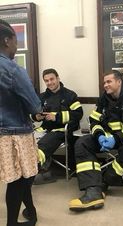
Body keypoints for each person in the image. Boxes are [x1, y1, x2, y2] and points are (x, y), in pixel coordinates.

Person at [69, 70, 123, 211]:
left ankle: (104, 182)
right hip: (104, 138)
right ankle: (92, 189)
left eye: (109, 81)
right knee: (81, 143)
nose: (105, 85)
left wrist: (115, 139)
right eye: (104, 82)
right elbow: (94, 120)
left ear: (119, 82)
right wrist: (99, 136)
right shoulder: (103, 99)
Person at [0, 19, 42, 226]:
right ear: (7, 41)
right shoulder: (12, 69)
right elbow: (35, 106)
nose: (17, 47)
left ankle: (31, 212)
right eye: (16, 42)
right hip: (15, 131)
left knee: (19, 177)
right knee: (21, 179)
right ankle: (12, 223)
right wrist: (37, 111)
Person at [31, 68, 83, 185]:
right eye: (46, 80)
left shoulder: (70, 95)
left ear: (58, 78)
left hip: (62, 131)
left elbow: (78, 114)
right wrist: (36, 117)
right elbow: (32, 114)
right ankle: (38, 170)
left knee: (44, 144)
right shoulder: (42, 97)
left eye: (52, 79)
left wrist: (56, 117)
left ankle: (34, 169)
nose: (49, 83)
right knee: (27, 139)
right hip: (44, 129)